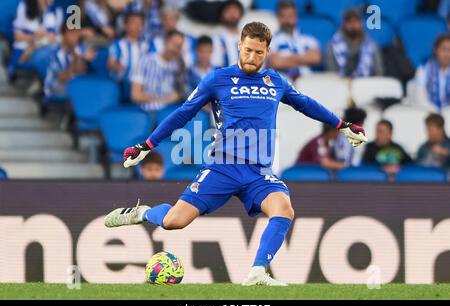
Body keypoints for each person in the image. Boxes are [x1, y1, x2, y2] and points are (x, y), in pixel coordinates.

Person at [104, 22, 367, 286]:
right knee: (174, 221)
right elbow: (184, 112)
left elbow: (306, 104)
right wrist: (147, 145)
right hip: (223, 167)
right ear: (239, 46)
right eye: (248, 50)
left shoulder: (275, 81)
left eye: (259, 53)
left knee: (284, 209)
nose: (252, 58)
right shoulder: (217, 79)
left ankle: (258, 272)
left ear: (267, 51)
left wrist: (342, 125)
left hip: (258, 172)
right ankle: (143, 213)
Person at [130, 30, 185, 114]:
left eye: (179, 46)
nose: (175, 49)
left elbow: (180, 93)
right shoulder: (146, 60)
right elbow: (135, 95)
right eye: (173, 44)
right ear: (165, 42)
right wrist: (164, 100)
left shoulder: (177, 66)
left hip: (168, 113)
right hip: (146, 112)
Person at [268, 0, 321, 82]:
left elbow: (316, 58)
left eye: (290, 16)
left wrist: (285, 59)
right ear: (278, 18)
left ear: (296, 17)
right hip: (284, 83)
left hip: (308, 82)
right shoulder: (272, 40)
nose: (287, 20)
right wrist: (305, 58)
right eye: (283, 16)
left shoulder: (309, 39)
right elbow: (276, 62)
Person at [325, 8, 384, 78]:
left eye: (356, 21)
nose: (353, 25)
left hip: (367, 85)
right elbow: (331, 72)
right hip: (341, 85)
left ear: (361, 23)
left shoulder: (371, 45)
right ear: (344, 24)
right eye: (349, 22)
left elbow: (379, 72)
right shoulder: (333, 46)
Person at [44, 25, 96, 100]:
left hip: (73, 86)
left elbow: (81, 72)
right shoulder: (54, 52)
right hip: (55, 88)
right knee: (81, 92)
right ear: (64, 35)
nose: (75, 36)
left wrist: (84, 61)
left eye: (76, 32)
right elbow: (62, 78)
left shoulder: (79, 49)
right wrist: (76, 59)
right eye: (72, 33)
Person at [108, 11, 149, 101]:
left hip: (144, 85)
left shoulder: (147, 45)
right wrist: (119, 67)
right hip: (124, 85)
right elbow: (111, 63)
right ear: (125, 25)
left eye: (140, 23)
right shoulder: (117, 44)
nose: (138, 26)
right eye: (134, 23)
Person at [412, 33, 450, 111]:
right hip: (428, 112)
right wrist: (434, 111)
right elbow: (420, 98)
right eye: (444, 50)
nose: (447, 54)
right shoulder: (423, 69)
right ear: (436, 50)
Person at [211, 0, 244, 67]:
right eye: (228, 11)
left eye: (235, 10)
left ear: (241, 14)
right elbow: (215, 64)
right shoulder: (217, 38)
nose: (232, 14)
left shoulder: (247, 36)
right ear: (221, 15)